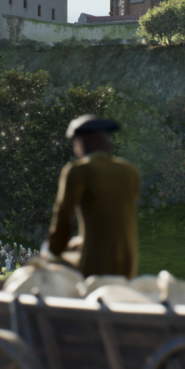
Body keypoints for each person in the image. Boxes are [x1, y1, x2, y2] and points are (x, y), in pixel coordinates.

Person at [46, 114, 142, 279]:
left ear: (82, 142)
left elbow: (63, 217)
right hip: (128, 266)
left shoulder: (78, 171)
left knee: (44, 268)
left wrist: (51, 251)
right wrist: (82, 241)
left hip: (95, 266)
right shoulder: (130, 171)